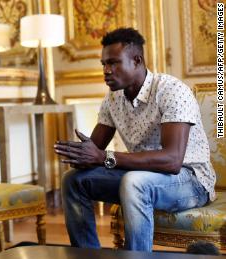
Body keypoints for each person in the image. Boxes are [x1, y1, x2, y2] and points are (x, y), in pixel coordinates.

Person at [54, 28, 216, 251]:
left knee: (134, 182)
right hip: (141, 177)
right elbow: (95, 151)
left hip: (190, 180)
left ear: (137, 60)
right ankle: (87, 255)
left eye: (114, 63)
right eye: (103, 64)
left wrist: (103, 157)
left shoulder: (171, 90)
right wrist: (81, 156)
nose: (106, 71)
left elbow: (172, 161)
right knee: (73, 180)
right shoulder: (113, 98)